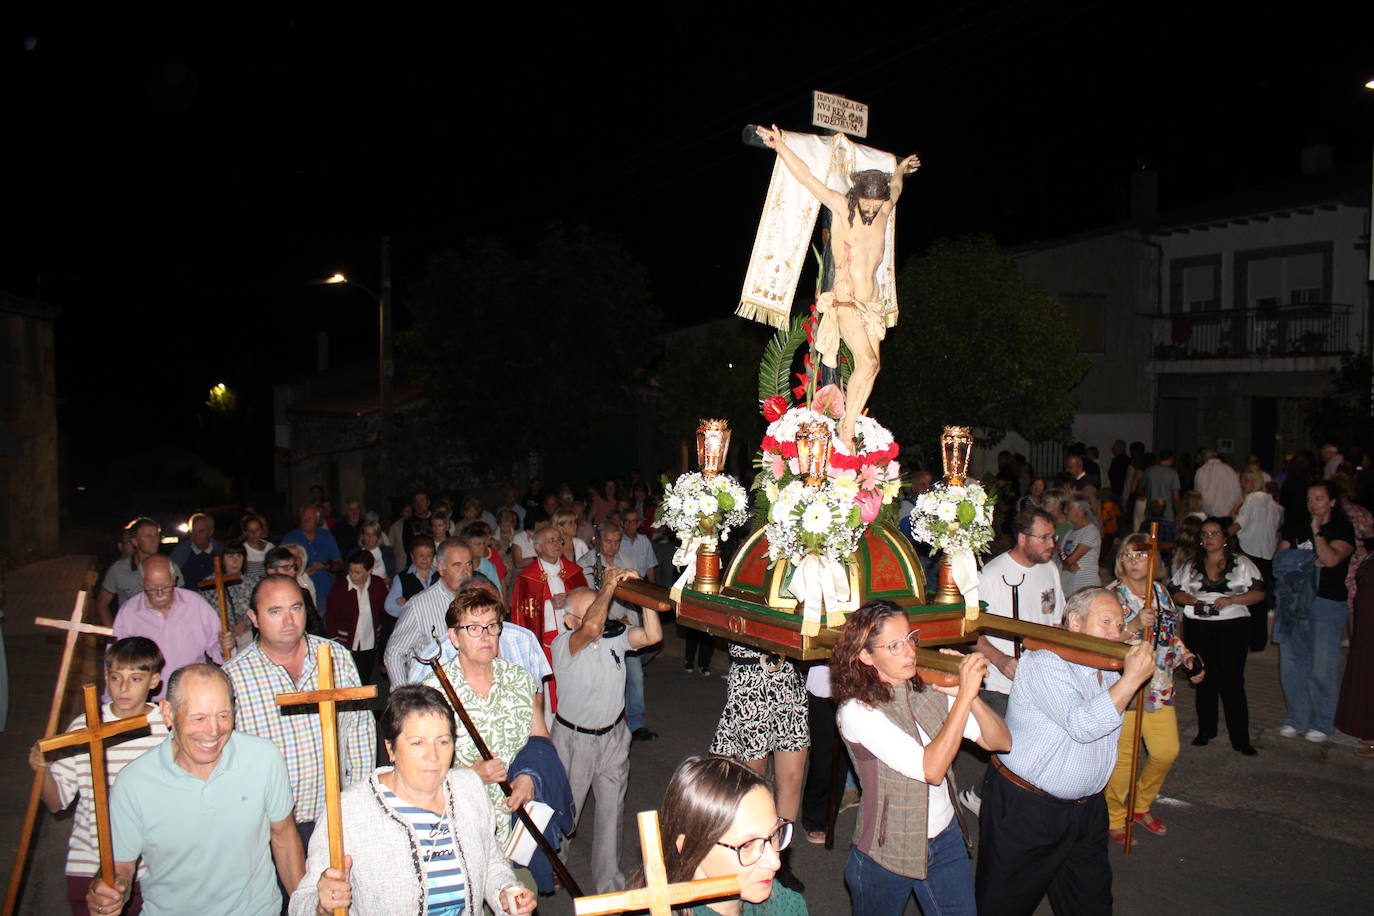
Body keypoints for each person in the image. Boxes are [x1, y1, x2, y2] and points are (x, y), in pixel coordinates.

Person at [973, 588, 1155, 916]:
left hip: (1087, 810)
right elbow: (1082, 724)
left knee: (1092, 905)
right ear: (1075, 622)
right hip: (1029, 809)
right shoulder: (1044, 662)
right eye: (1105, 622)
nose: (1115, 632)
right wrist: (1131, 681)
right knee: (1003, 905)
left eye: (1119, 624)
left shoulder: (1107, 665)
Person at [288, 685, 535, 916]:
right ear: (391, 749)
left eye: (443, 742)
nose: (433, 756)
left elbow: (491, 861)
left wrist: (505, 893)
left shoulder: (469, 788)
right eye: (417, 743)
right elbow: (300, 905)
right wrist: (322, 906)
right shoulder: (349, 812)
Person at [831, 602, 1011, 914]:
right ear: (866, 656)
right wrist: (963, 695)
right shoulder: (857, 711)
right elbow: (931, 770)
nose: (910, 652)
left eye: (910, 639)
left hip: (945, 838)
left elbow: (1001, 741)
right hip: (887, 851)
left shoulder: (926, 688)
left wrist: (967, 697)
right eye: (894, 646)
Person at [88, 664, 304, 916]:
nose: (214, 731)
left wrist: (305, 906)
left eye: (223, 716)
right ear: (168, 713)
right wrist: (113, 892)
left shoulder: (263, 758)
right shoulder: (133, 782)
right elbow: (121, 867)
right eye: (199, 718)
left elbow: (284, 837)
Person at [755, 123, 919, 450]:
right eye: (866, 205)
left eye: (875, 206)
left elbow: (897, 187)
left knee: (873, 368)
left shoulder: (884, 209)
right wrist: (780, 147)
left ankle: (850, 422)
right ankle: (846, 430)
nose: (870, 212)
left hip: (871, 306)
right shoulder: (843, 209)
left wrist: (900, 168)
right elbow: (807, 178)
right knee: (867, 363)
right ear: (857, 196)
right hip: (846, 301)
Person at [224, 574, 376, 850]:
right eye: (275, 611)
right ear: (253, 618)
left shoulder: (335, 656)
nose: (289, 620)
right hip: (271, 825)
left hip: (334, 812)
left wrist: (357, 800)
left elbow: (359, 729)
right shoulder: (234, 677)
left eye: (296, 608)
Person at [30, 637, 169, 916]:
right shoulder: (84, 727)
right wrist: (42, 770)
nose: (124, 688)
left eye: (136, 679)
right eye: (116, 678)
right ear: (106, 677)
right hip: (89, 861)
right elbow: (56, 803)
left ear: (154, 681)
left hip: (153, 867)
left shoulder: (165, 728)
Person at [551, 567, 662, 894]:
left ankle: (609, 885)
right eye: (589, 611)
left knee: (612, 814)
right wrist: (609, 585)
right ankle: (555, 864)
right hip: (575, 740)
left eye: (600, 607)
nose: (600, 616)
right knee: (566, 812)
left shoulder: (615, 637)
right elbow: (592, 627)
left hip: (613, 737)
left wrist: (642, 593)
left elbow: (652, 636)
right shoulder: (565, 644)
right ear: (570, 621)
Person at [419, 589, 546, 845]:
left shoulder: (520, 679)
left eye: (492, 626)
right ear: (454, 637)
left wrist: (530, 776)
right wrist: (470, 776)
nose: (486, 635)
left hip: (518, 822)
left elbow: (540, 738)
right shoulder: (432, 692)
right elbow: (419, 771)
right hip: (461, 824)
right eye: (474, 628)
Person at [961, 507, 1065, 815]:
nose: (1052, 544)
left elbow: (1054, 621)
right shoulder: (991, 575)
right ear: (1023, 538)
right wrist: (1000, 659)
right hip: (1001, 681)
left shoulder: (1050, 569)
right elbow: (970, 633)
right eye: (1044, 537)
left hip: (1040, 675)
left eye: (1053, 537)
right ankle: (983, 797)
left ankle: (994, 796)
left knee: (1033, 745)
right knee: (1011, 745)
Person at [1105, 534, 1201, 846]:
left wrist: (1186, 656)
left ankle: (1140, 804)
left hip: (1160, 687)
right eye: (1128, 556)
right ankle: (1114, 816)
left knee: (1165, 751)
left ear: (1153, 561)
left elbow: (1170, 634)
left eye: (1141, 555)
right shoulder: (1112, 595)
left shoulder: (1160, 592)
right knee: (1125, 758)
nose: (1133, 562)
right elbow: (1102, 640)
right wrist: (1133, 625)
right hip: (1128, 687)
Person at [630, 755, 807, 916]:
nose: (775, 862)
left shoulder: (786, 905)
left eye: (773, 835)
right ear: (688, 848)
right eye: (747, 845)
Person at [708, 639, 809, 892]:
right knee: (754, 782)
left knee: (792, 778)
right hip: (750, 677)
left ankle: (781, 858)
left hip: (788, 676)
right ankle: (750, 855)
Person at [1170, 517, 1265, 753]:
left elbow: (1259, 593)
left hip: (1232, 626)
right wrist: (1193, 601)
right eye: (1205, 534)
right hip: (1199, 625)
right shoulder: (1191, 565)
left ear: (1224, 538)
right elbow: (1174, 591)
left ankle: (1240, 738)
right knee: (1203, 677)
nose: (1209, 538)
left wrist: (1233, 599)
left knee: (1232, 681)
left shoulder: (1241, 563)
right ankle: (1206, 730)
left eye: (1214, 533)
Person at [1275, 481, 1355, 743]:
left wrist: (1317, 534)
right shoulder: (1295, 526)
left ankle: (1322, 722)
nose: (1313, 504)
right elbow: (1280, 562)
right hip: (1294, 602)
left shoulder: (1341, 529)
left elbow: (1331, 559)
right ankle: (1296, 718)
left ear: (1332, 502)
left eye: (1319, 498)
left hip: (1326, 603)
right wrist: (1308, 562)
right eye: (1310, 499)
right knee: (1291, 665)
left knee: (1322, 666)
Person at [578, 521, 656, 740]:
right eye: (608, 541)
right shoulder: (586, 564)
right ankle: (603, 723)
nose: (613, 546)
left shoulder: (626, 561)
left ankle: (637, 723)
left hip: (627, 627)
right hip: (601, 630)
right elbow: (587, 599)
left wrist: (632, 619)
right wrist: (611, 619)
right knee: (604, 680)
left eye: (617, 541)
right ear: (598, 541)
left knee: (635, 675)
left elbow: (635, 593)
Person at [113, 555, 228, 675]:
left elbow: (217, 645)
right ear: (141, 584)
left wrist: (223, 646)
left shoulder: (196, 604)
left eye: (166, 586)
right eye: (152, 589)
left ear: (174, 580)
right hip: (149, 686)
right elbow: (116, 660)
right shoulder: (128, 613)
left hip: (190, 683)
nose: (160, 593)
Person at [384, 537, 474, 686]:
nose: (465, 572)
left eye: (469, 564)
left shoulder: (478, 599)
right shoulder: (419, 606)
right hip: (432, 691)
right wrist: (403, 694)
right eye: (457, 565)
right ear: (441, 568)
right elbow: (394, 652)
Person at [509, 526, 589, 685]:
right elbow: (522, 616)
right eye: (551, 541)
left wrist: (571, 599)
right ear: (538, 547)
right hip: (545, 639)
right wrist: (549, 605)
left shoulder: (574, 571)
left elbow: (588, 603)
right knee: (551, 685)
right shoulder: (527, 578)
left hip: (574, 636)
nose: (557, 544)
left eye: (559, 540)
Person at [95, 517, 184, 626]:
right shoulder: (118, 570)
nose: (154, 540)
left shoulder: (170, 567)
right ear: (135, 541)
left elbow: (182, 601)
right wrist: (113, 633)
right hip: (131, 631)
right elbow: (101, 604)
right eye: (148, 536)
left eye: (156, 535)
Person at [1230, 466, 1282, 651]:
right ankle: (1258, 640)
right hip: (1266, 554)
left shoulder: (1252, 499)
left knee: (1247, 598)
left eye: (1246, 480)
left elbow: (1240, 522)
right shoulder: (1272, 502)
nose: (1242, 484)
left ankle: (1248, 639)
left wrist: (1223, 535)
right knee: (1260, 598)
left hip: (1250, 552)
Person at [325, 549, 388, 682]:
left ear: (369, 571)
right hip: (345, 642)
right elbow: (331, 618)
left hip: (369, 642)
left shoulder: (377, 584)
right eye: (350, 571)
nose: (352, 575)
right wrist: (334, 642)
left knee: (364, 678)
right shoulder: (340, 587)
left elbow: (385, 609)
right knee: (346, 679)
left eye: (357, 572)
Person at [197, 541, 257, 652]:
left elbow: (260, 607)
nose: (235, 561)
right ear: (222, 559)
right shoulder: (209, 584)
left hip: (249, 637)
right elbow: (204, 616)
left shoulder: (252, 581)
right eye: (230, 556)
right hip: (222, 640)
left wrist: (246, 622)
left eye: (239, 556)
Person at [281, 504, 343, 604]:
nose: (306, 520)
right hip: (298, 593)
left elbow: (339, 564)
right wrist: (301, 573)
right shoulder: (290, 539)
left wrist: (325, 566)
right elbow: (281, 569)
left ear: (317, 520)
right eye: (304, 517)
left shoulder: (326, 536)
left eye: (310, 518)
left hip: (323, 592)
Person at [384, 533, 439, 620]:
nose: (425, 559)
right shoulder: (401, 578)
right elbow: (390, 606)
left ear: (433, 556)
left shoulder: (441, 575)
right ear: (412, 556)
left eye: (428, 555)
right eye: (421, 555)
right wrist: (409, 608)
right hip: (413, 624)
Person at [1057, 492, 1102, 595]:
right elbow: (1060, 553)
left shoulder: (1091, 532)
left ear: (1080, 510)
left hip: (1085, 589)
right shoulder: (1069, 532)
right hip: (1068, 588)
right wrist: (1066, 565)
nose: (1065, 511)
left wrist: (1066, 564)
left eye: (1069, 508)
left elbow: (1071, 560)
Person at [169, 512, 219, 586]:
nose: (196, 535)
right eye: (193, 531)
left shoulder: (220, 551)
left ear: (211, 532)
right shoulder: (180, 554)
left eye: (201, 531)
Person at [1195, 448, 1242, 519]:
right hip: (1229, 516)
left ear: (1203, 457)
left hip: (1210, 517)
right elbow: (1237, 493)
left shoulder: (1202, 471)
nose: (1197, 461)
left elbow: (1198, 496)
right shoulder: (1230, 469)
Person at [357, 520, 394, 584]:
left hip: (383, 588)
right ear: (362, 536)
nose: (370, 537)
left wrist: (377, 583)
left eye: (373, 534)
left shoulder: (387, 552)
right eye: (367, 534)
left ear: (378, 536)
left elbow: (392, 577)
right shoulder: (355, 554)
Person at [240, 513, 275, 578]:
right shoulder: (242, 550)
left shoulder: (270, 547)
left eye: (257, 529)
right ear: (245, 533)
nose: (254, 533)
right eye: (250, 530)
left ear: (262, 530)